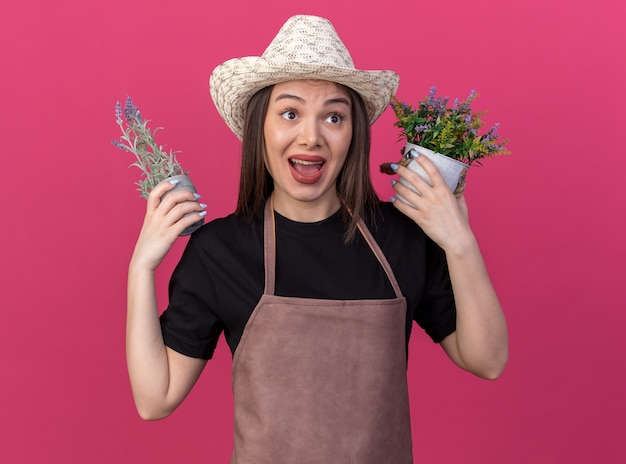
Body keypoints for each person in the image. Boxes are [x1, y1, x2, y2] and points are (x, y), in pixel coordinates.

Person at [126, 14, 508, 463]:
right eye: (290, 113)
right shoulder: (220, 252)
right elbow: (156, 399)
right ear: (259, 128)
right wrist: (140, 269)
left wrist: (458, 240)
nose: (311, 136)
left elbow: (487, 359)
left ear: (353, 135)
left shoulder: (400, 238)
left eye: (333, 116)